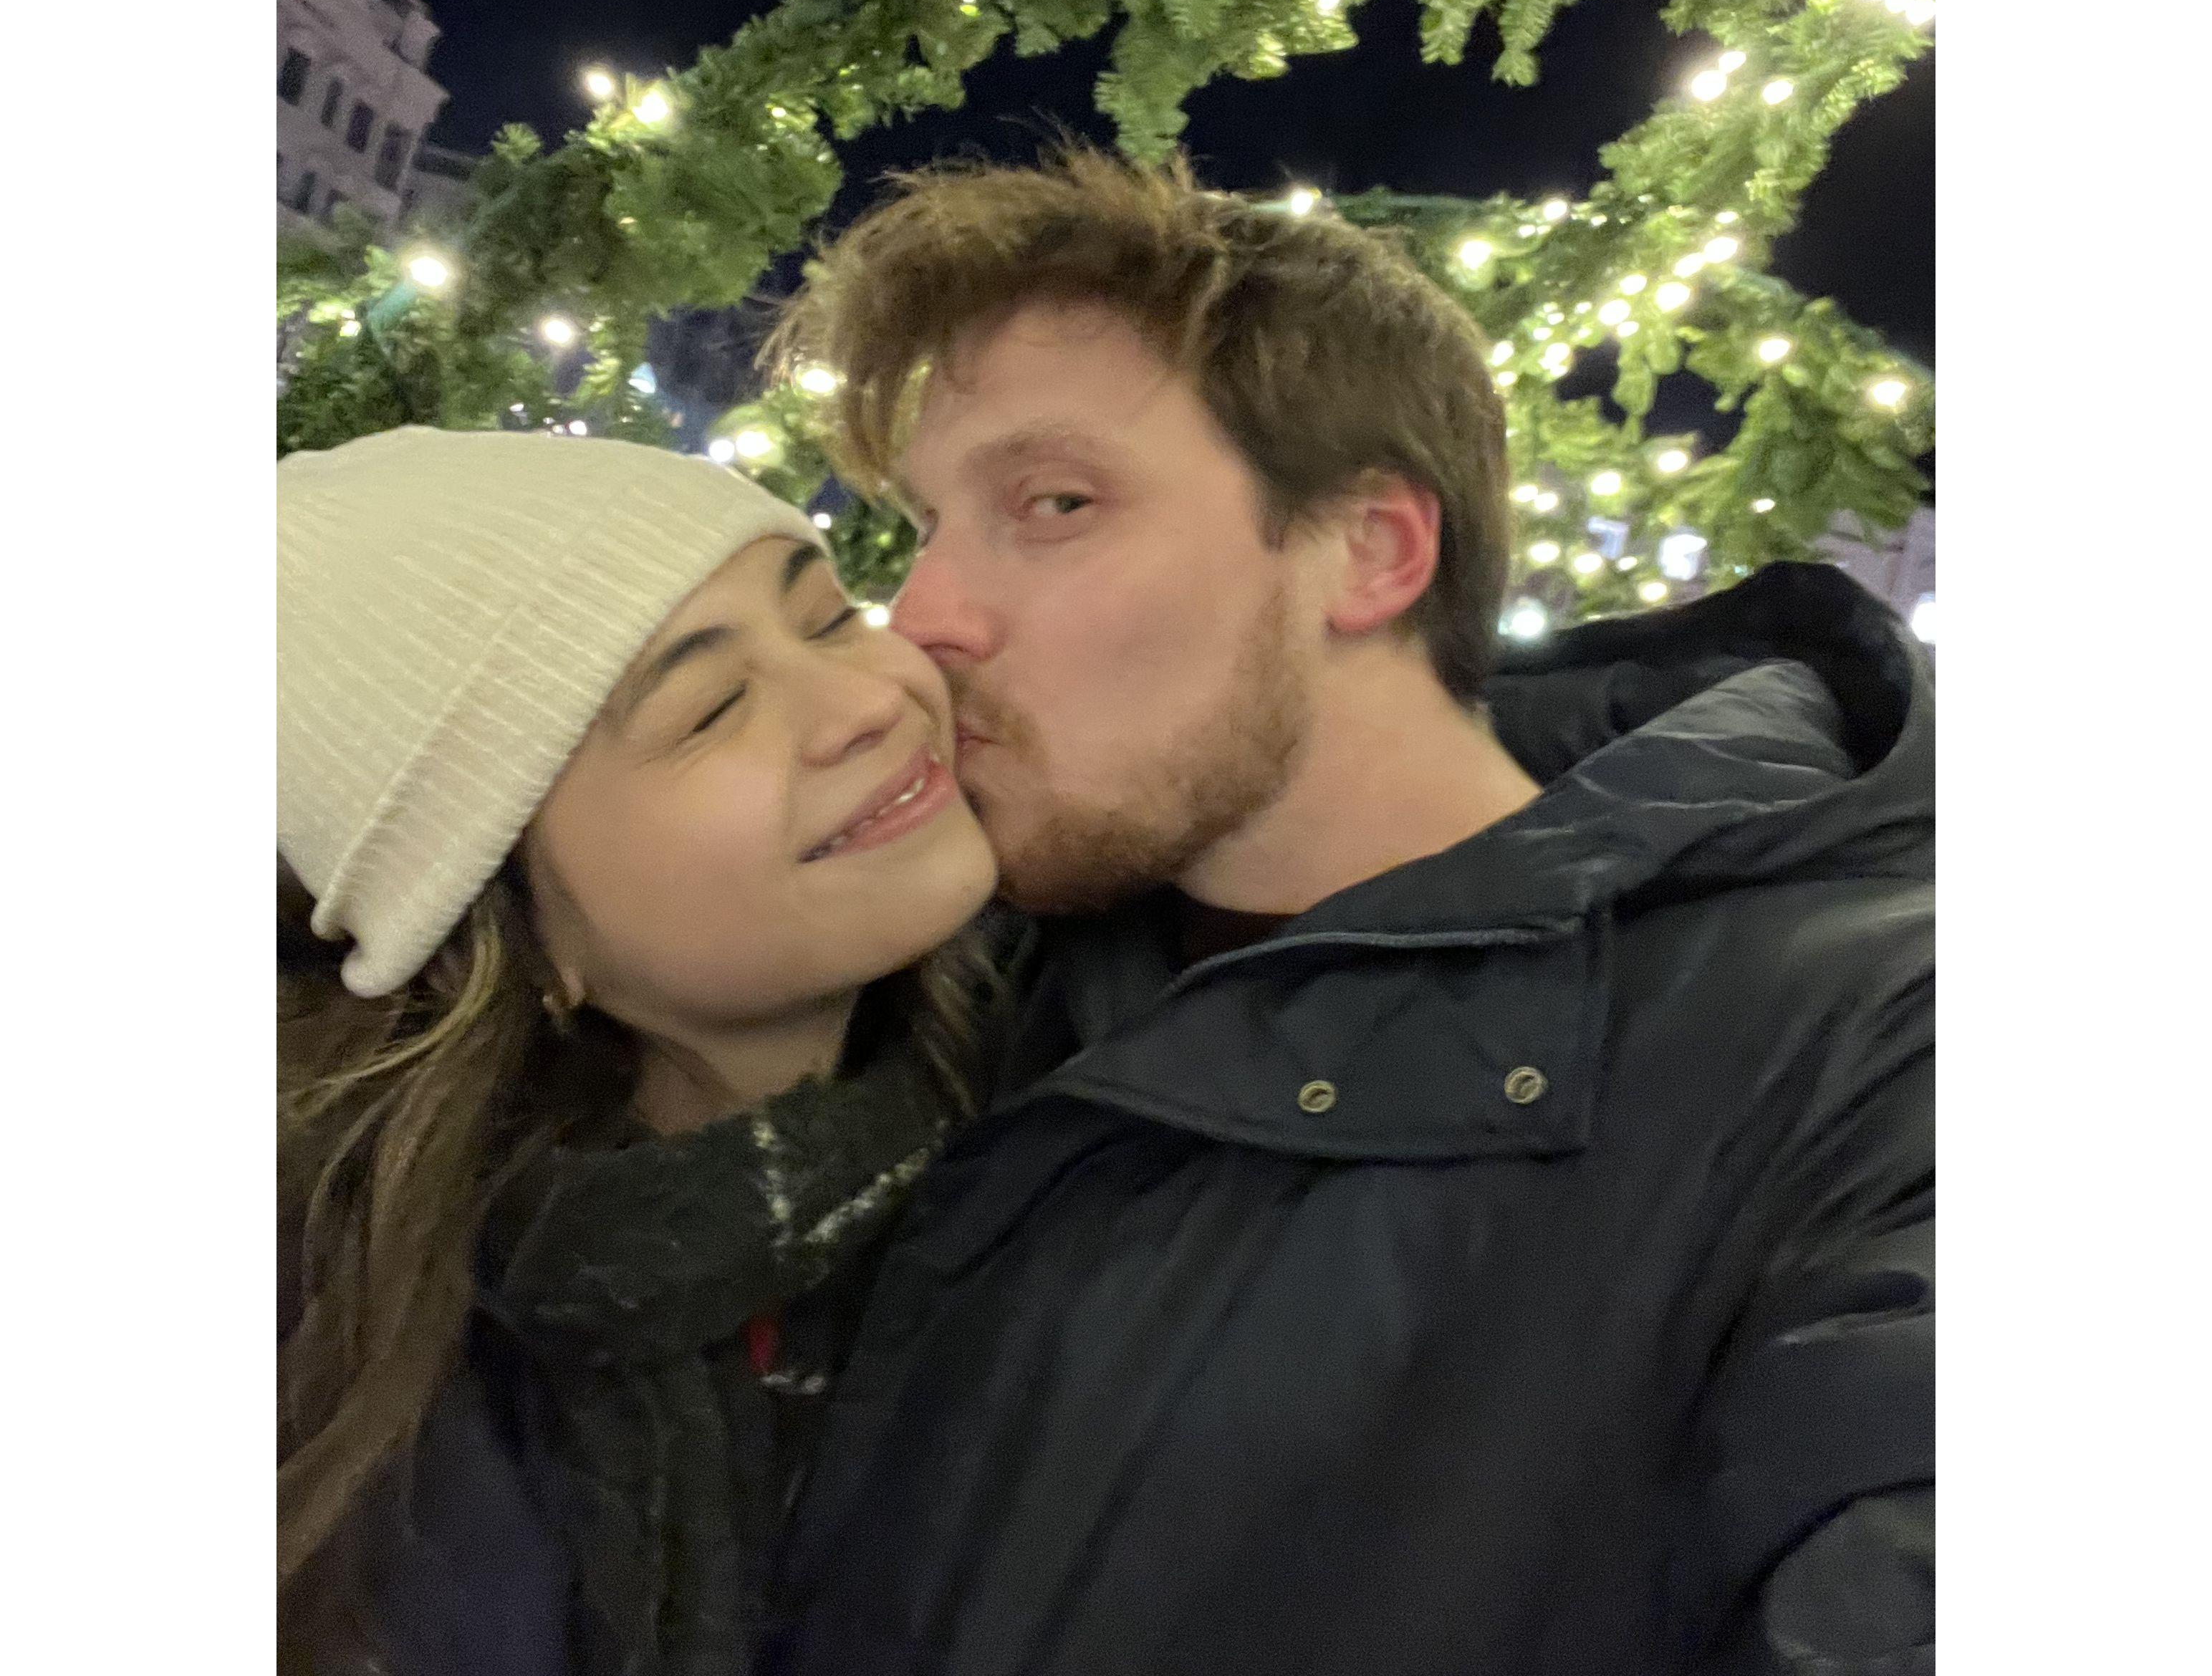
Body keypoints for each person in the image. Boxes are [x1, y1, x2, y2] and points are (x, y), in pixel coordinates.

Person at [756, 144, 1935, 1675]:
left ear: (1371, 552)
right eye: (926, 525)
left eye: (1051, 502)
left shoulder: (1874, 1051)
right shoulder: (962, 982)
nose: (923, 617)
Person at [276, 425, 1010, 1676]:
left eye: (831, 618)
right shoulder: (364, 1446)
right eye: (712, 709)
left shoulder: (1100, 1127)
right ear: (510, 936)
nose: (872, 701)